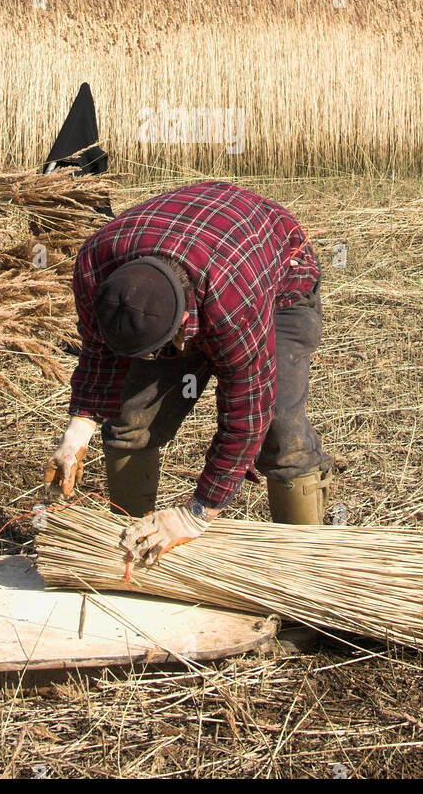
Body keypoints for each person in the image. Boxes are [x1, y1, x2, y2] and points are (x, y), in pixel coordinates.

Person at [45, 180, 332, 567]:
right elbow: (98, 353)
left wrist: (195, 513)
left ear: (181, 323)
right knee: (128, 419)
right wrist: (77, 431)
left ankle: (304, 571)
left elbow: (247, 416)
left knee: (280, 431)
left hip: (272, 279)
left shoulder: (234, 302)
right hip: (192, 248)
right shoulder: (95, 268)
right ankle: (129, 554)